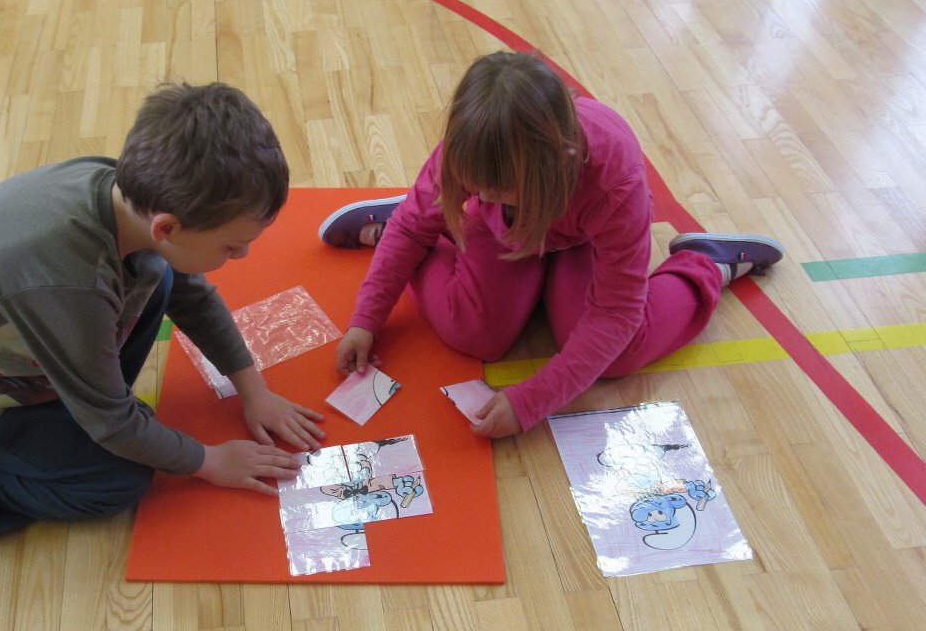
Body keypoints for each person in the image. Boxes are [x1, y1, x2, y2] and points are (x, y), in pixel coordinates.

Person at [0, 82, 324, 539]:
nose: (242, 255)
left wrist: (253, 389)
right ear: (167, 227)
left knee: (160, 276)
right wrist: (210, 461)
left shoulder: (127, 194)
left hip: (41, 344)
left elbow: (194, 298)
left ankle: (83, 408)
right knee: (117, 481)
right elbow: (111, 424)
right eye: (233, 245)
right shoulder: (71, 283)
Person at [320, 51, 784, 439]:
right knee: (475, 334)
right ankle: (413, 216)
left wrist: (532, 401)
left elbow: (616, 313)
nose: (484, 196)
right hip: (501, 231)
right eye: (475, 186)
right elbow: (412, 230)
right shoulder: (475, 149)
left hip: (580, 239)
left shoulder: (614, 181)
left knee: (619, 353)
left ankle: (706, 264)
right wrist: (365, 320)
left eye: (498, 190)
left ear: (558, 162)